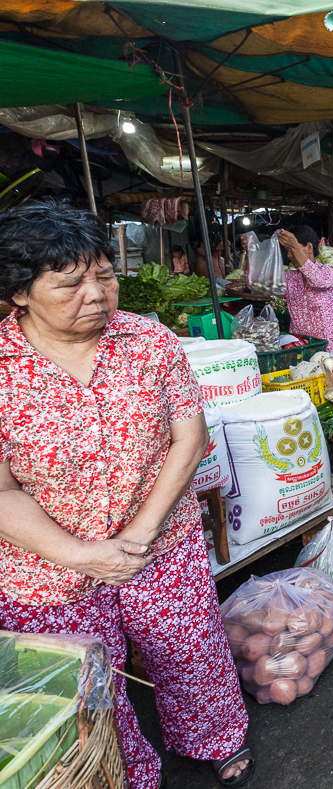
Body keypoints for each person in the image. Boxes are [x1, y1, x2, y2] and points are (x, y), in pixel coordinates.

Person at [0, 203, 252, 788]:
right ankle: (128, 771)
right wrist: (81, 555)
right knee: (88, 687)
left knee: (188, 649)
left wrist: (140, 533)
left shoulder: (149, 341)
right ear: (19, 294)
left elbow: (189, 439)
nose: (95, 293)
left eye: (105, 275)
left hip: (161, 540)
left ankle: (214, 737)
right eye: (70, 284)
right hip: (45, 567)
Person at [277, 225, 333, 352]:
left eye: (291, 250)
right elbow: (256, 282)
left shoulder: (328, 271)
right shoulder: (290, 278)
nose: (289, 255)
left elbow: (318, 281)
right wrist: (251, 250)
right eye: (287, 251)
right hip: (302, 348)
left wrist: (294, 245)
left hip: (332, 348)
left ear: (309, 247)